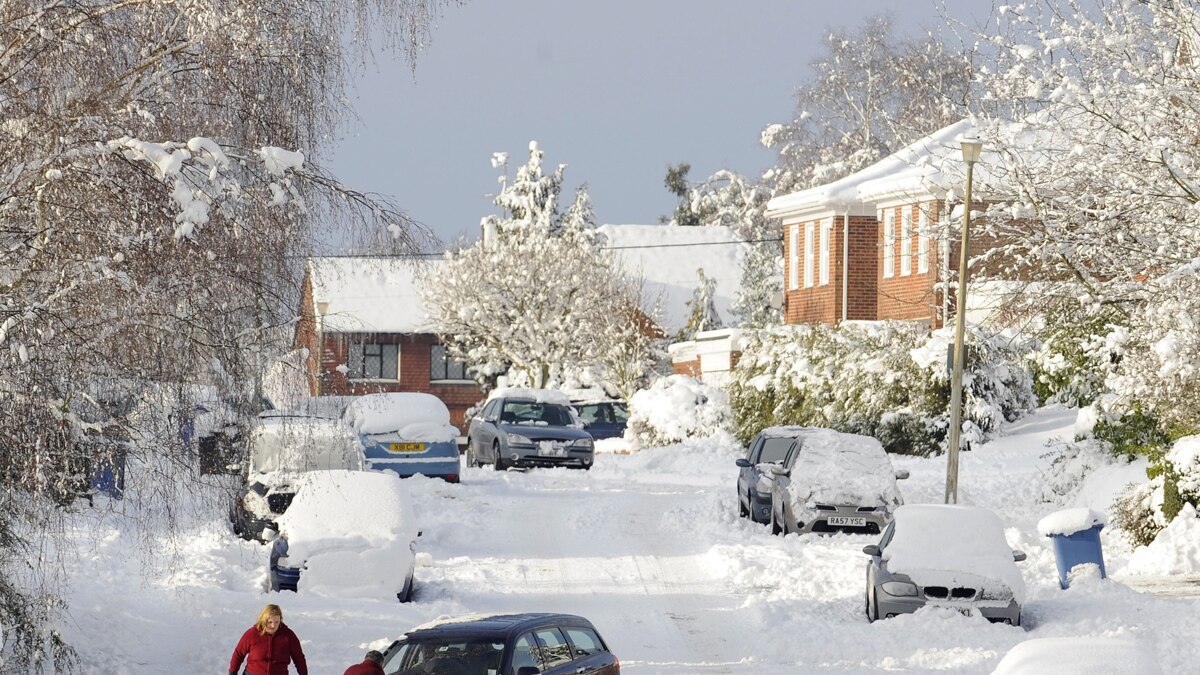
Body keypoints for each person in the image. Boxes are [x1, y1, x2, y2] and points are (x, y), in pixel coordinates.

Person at [229, 604, 308, 675]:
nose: (273, 625)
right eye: (270, 622)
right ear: (263, 620)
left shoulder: (288, 636)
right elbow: (238, 654)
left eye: (276, 622)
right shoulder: (252, 634)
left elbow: (299, 658)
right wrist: (233, 672)